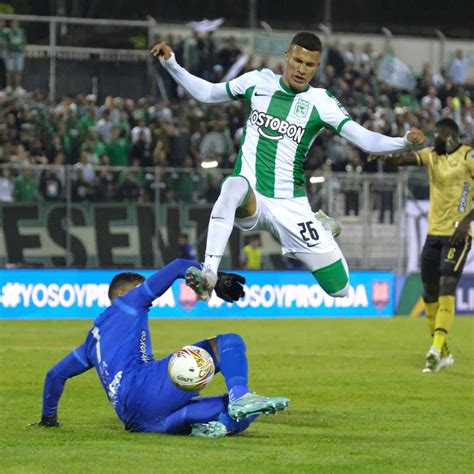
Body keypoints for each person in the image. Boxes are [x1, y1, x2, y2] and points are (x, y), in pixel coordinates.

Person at [157, 33, 425, 302]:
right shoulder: (258, 80)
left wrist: (403, 143)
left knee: (340, 288)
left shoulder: (321, 102)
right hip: (252, 197)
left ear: (316, 67)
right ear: (287, 56)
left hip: (291, 206)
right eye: (297, 60)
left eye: (309, 65)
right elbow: (208, 92)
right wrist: (172, 65)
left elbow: (364, 138)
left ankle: (321, 228)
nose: (301, 69)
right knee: (232, 185)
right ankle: (209, 274)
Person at [35, 259, 289, 438]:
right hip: (145, 388)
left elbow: (55, 375)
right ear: (129, 292)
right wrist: (216, 278)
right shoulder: (130, 301)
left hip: (139, 421)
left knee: (236, 410)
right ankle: (240, 393)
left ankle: (218, 426)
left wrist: (49, 420)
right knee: (227, 342)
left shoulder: (91, 341)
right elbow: (179, 266)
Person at [370, 118, 473, 373]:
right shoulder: (431, 155)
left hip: (457, 236)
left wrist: (466, 220)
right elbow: (401, 161)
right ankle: (444, 353)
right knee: (429, 296)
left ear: (448, 135)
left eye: (436, 134)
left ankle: (435, 348)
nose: (432, 138)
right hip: (433, 235)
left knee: (447, 286)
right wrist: (382, 154)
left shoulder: (469, 156)